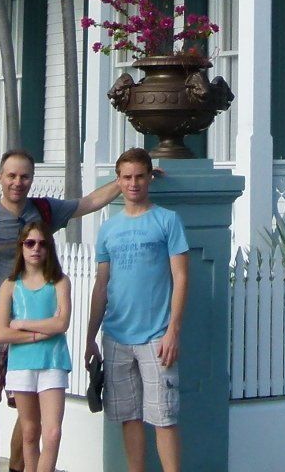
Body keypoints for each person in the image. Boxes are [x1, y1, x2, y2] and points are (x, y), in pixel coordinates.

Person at [0, 150, 123, 472]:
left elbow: (86, 204)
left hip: (30, 327)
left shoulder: (44, 210)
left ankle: (18, 468)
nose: (17, 183)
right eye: (11, 176)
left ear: (31, 179)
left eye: (24, 176)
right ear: (1, 178)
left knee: (28, 411)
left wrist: (125, 181)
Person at [87, 148, 188, 472]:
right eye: (127, 177)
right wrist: (91, 336)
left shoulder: (167, 220)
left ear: (149, 177)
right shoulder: (108, 229)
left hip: (156, 337)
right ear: (118, 181)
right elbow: (102, 285)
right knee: (128, 417)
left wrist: (173, 330)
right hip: (116, 337)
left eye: (139, 176)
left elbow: (181, 276)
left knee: (164, 417)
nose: (133, 183)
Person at [0, 226, 72, 472]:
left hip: (53, 362)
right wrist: (41, 333)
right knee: (29, 431)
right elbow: (1, 333)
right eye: (30, 243)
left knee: (52, 433)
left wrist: (23, 325)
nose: (36, 248)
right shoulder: (10, 285)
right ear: (21, 247)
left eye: (42, 243)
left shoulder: (60, 282)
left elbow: (61, 323)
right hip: (22, 364)